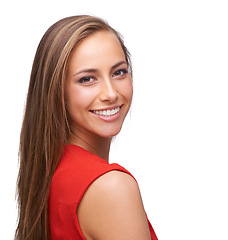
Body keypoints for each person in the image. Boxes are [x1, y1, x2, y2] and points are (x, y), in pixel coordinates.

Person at [16, 15, 158, 240]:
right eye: (87, 79)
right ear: (55, 90)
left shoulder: (49, 173)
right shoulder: (111, 187)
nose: (111, 93)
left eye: (119, 72)